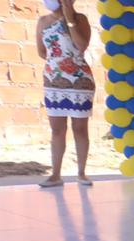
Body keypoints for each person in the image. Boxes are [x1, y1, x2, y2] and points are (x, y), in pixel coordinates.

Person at [36, 0, 94, 188]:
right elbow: (41, 52)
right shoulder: (43, 21)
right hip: (54, 80)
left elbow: (81, 45)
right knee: (57, 129)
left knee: (80, 128)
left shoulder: (80, 19)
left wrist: (70, 20)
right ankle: (55, 175)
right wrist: (59, 62)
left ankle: (82, 174)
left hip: (80, 80)